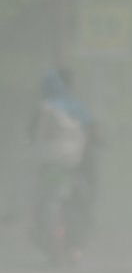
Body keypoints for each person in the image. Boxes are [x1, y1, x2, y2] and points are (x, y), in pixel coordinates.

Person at [28, 68, 92, 257]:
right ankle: (75, 243)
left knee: (43, 197)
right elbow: (91, 133)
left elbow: (35, 134)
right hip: (76, 163)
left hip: (51, 163)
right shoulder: (76, 108)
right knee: (79, 199)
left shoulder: (46, 108)